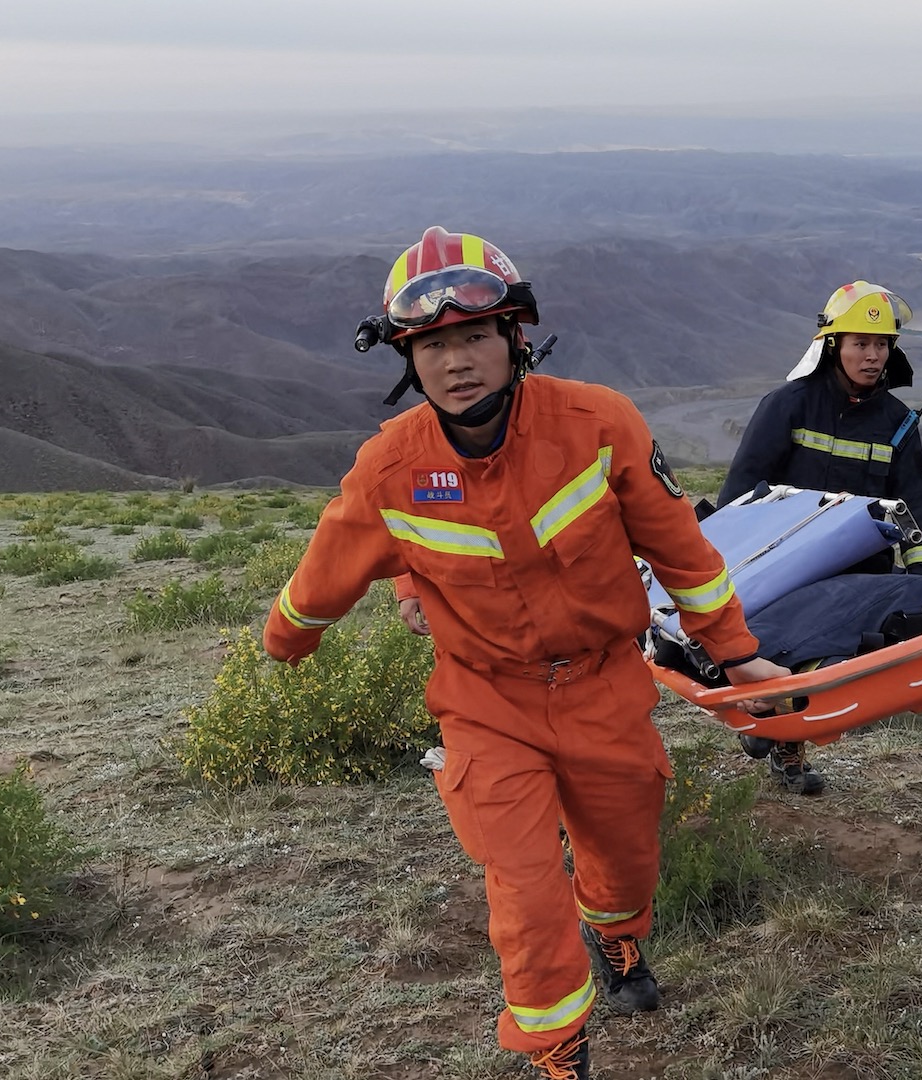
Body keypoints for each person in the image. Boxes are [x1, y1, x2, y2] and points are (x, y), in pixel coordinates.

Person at [264, 227, 789, 1080]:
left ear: (515, 339)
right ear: (408, 357)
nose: (457, 360)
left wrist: (735, 655)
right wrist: (285, 643)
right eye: (432, 344)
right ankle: (557, 1054)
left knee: (623, 862)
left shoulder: (597, 422)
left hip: (603, 686)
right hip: (485, 705)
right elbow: (325, 574)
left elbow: (681, 552)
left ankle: (616, 943)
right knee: (525, 892)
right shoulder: (388, 466)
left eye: (474, 335)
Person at [714, 280, 922, 794]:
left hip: (860, 575)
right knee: (782, 654)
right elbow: (740, 491)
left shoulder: (898, 424)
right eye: (861, 342)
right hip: (785, 564)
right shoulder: (788, 405)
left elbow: (918, 504)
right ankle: (778, 737)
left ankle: (781, 734)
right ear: (833, 344)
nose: (873, 355)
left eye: (882, 344)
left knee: (825, 665)